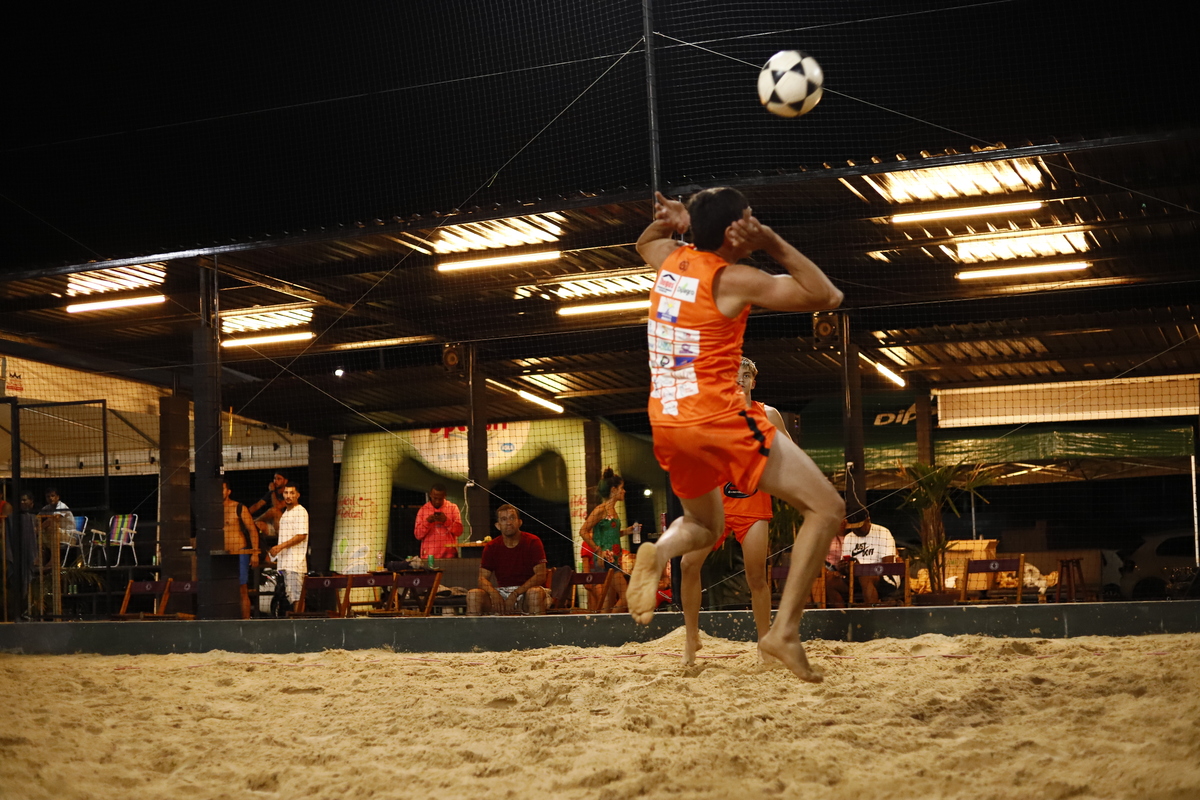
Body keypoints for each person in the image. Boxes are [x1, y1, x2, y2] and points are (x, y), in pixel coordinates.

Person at [627, 188, 845, 682]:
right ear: (732, 232)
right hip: (717, 418)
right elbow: (826, 296)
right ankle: (783, 632)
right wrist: (771, 242)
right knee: (826, 508)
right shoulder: (733, 278)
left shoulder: (670, 261)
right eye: (748, 219)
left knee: (703, 525)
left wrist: (679, 222)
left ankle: (660, 551)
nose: (754, 222)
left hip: (667, 421)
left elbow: (645, 242)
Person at [679, 357, 791, 652]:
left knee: (756, 577)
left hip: (752, 503)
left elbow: (791, 455)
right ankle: (691, 638)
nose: (739, 379)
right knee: (688, 564)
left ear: (753, 381)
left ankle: (765, 643)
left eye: (745, 375)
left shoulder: (768, 414)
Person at [467, 504, 548, 615]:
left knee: (534, 594)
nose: (508, 522)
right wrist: (494, 593)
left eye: (512, 518)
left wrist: (516, 593)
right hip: (502, 592)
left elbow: (541, 575)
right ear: (498, 525)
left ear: (519, 522)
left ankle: (538, 627)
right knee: (473, 595)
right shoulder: (491, 546)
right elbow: (482, 579)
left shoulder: (533, 541)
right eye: (504, 519)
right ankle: (473, 627)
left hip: (528, 591)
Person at [579, 467, 636, 611]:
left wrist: (626, 531)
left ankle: (604, 622)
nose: (624, 491)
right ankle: (608, 621)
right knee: (627, 597)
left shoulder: (613, 511)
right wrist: (598, 550)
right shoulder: (601, 509)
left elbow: (611, 535)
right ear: (613, 490)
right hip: (606, 559)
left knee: (609, 601)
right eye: (622, 488)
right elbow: (583, 531)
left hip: (614, 558)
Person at [840, 510, 900, 605]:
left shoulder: (883, 532)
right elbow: (846, 566)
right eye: (852, 528)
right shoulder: (849, 537)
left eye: (859, 527)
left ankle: (871, 612)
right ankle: (843, 612)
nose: (856, 530)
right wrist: (843, 567)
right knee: (831, 582)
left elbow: (888, 566)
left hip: (885, 578)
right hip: (856, 578)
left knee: (865, 576)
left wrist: (861, 568)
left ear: (868, 520)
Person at [222, 480, 260, 619]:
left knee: (242, 589)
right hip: (221, 555)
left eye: (222, 489)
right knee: (222, 589)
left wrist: (255, 553)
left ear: (228, 491)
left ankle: (246, 621)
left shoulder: (238, 507)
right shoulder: (212, 510)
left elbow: (252, 530)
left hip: (239, 552)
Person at [268, 483, 307, 608]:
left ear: (298, 495)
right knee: (291, 597)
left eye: (292, 493)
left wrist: (280, 547)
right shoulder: (285, 513)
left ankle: (299, 620)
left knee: (297, 597)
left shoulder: (300, 511)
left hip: (295, 563)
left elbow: (301, 535)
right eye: (286, 493)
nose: (288, 496)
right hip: (285, 563)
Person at [413, 483, 463, 560]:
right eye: (435, 498)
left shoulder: (453, 508)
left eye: (440, 499)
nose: (437, 501)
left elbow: (459, 532)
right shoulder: (423, 510)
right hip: (429, 557)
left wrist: (446, 521)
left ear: (445, 496)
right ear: (430, 495)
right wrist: (427, 522)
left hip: (449, 556)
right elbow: (418, 535)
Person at [39, 487, 77, 564]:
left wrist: (38, 529)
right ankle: (40, 558)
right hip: (57, 534)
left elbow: (52, 520)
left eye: (53, 496)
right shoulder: (47, 508)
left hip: (70, 536)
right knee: (42, 531)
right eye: (48, 496)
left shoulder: (62, 506)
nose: (50, 498)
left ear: (58, 497)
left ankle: (53, 561)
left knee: (50, 528)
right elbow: (37, 518)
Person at [249, 472, 288, 542]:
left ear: (285, 481)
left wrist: (272, 491)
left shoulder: (288, 493)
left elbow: (277, 507)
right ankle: (261, 547)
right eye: (274, 478)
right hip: (272, 526)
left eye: (279, 479)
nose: (275, 481)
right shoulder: (272, 493)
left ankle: (252, 522)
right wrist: (244, 514)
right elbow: (258, 505)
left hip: (284, 528)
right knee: (258, 525)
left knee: (274, 511)